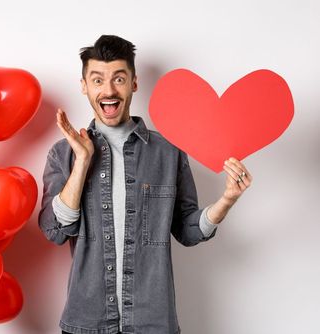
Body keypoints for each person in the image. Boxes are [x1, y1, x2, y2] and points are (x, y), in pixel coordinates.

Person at [38, 35, 252, 334]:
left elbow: (188, 231)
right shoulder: (63, 154)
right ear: (84, 86)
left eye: (119, 79)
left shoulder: (168, 152)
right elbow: (55, 231)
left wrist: (227, 199)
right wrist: (83, 161)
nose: (109, 90)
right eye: (98, 80)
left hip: (153, 322)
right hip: (87, 321)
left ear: (134, 83)